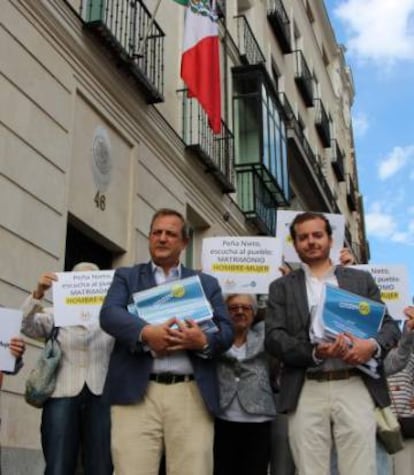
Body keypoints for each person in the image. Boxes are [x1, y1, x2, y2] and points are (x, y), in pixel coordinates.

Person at [265, 211, 400, 475]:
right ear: (295, 243)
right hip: (305, 387)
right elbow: (274, 338)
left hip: (355, 384)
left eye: (317, 235)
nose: (311, 241)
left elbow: (389, 327)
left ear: (330, 239)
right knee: (309, 469)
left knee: (361, 468)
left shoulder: (360, 280)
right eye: (303, 237)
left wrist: (370, 346)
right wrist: (314, 352)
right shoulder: (281, 287)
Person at [100, 208, 234, 475]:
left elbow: (226, 331)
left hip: (190, 394)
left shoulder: (206, 284)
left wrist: (202, 340)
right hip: (136, 392)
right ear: (149, 237)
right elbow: (109, 315)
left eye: (170, 234)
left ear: (184, 242)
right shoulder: (127, 277)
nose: (162, 238)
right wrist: (147, 332)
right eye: (156, 233)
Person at [21, 262, 114, 475]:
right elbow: (25, 325)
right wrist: (38, 293)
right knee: (58, 465)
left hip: (100, 393)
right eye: (79, 281)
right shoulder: (54, 314)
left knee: (101, 465)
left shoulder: (110, 316)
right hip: (62, 393)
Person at [213, 293, 276, 475]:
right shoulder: (215, 337)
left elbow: (281, 315)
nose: (239, 312)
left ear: (254, 313)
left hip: (258, 423)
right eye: (233, 308)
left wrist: (283, 281)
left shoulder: (265, 334)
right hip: (222, 420)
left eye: (246, 307)